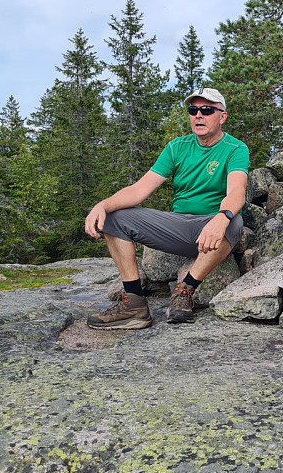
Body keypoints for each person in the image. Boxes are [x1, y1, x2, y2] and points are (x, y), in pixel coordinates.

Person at [84, 87, 249, 329]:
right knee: (114, 217)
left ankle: (185, 292)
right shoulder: (177, 147)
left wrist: (221, 217)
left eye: (207, 110)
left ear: (222, 116)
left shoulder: (235, 149)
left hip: (214, 229)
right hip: (179, 227)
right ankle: (134, 304)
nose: (199, 115)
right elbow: (140, 190)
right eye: (193, 110)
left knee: (234, 221)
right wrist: (102, 205)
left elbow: (237, 192)